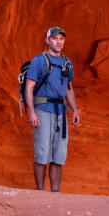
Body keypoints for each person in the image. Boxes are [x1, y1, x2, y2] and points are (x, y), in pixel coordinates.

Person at [25, 26, 80, 192]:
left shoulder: (67, 62)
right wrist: (32, 112)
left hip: (60, 113)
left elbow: (69, 89)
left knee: (59, 155)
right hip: (43, 110)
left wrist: (75, 109)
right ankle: (40, 192)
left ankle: (55, 192)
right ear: (48, 40)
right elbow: (29, 87)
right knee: (42, 154)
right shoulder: (39, 61)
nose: (58, 41)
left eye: (61, 39)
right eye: (55, 38)